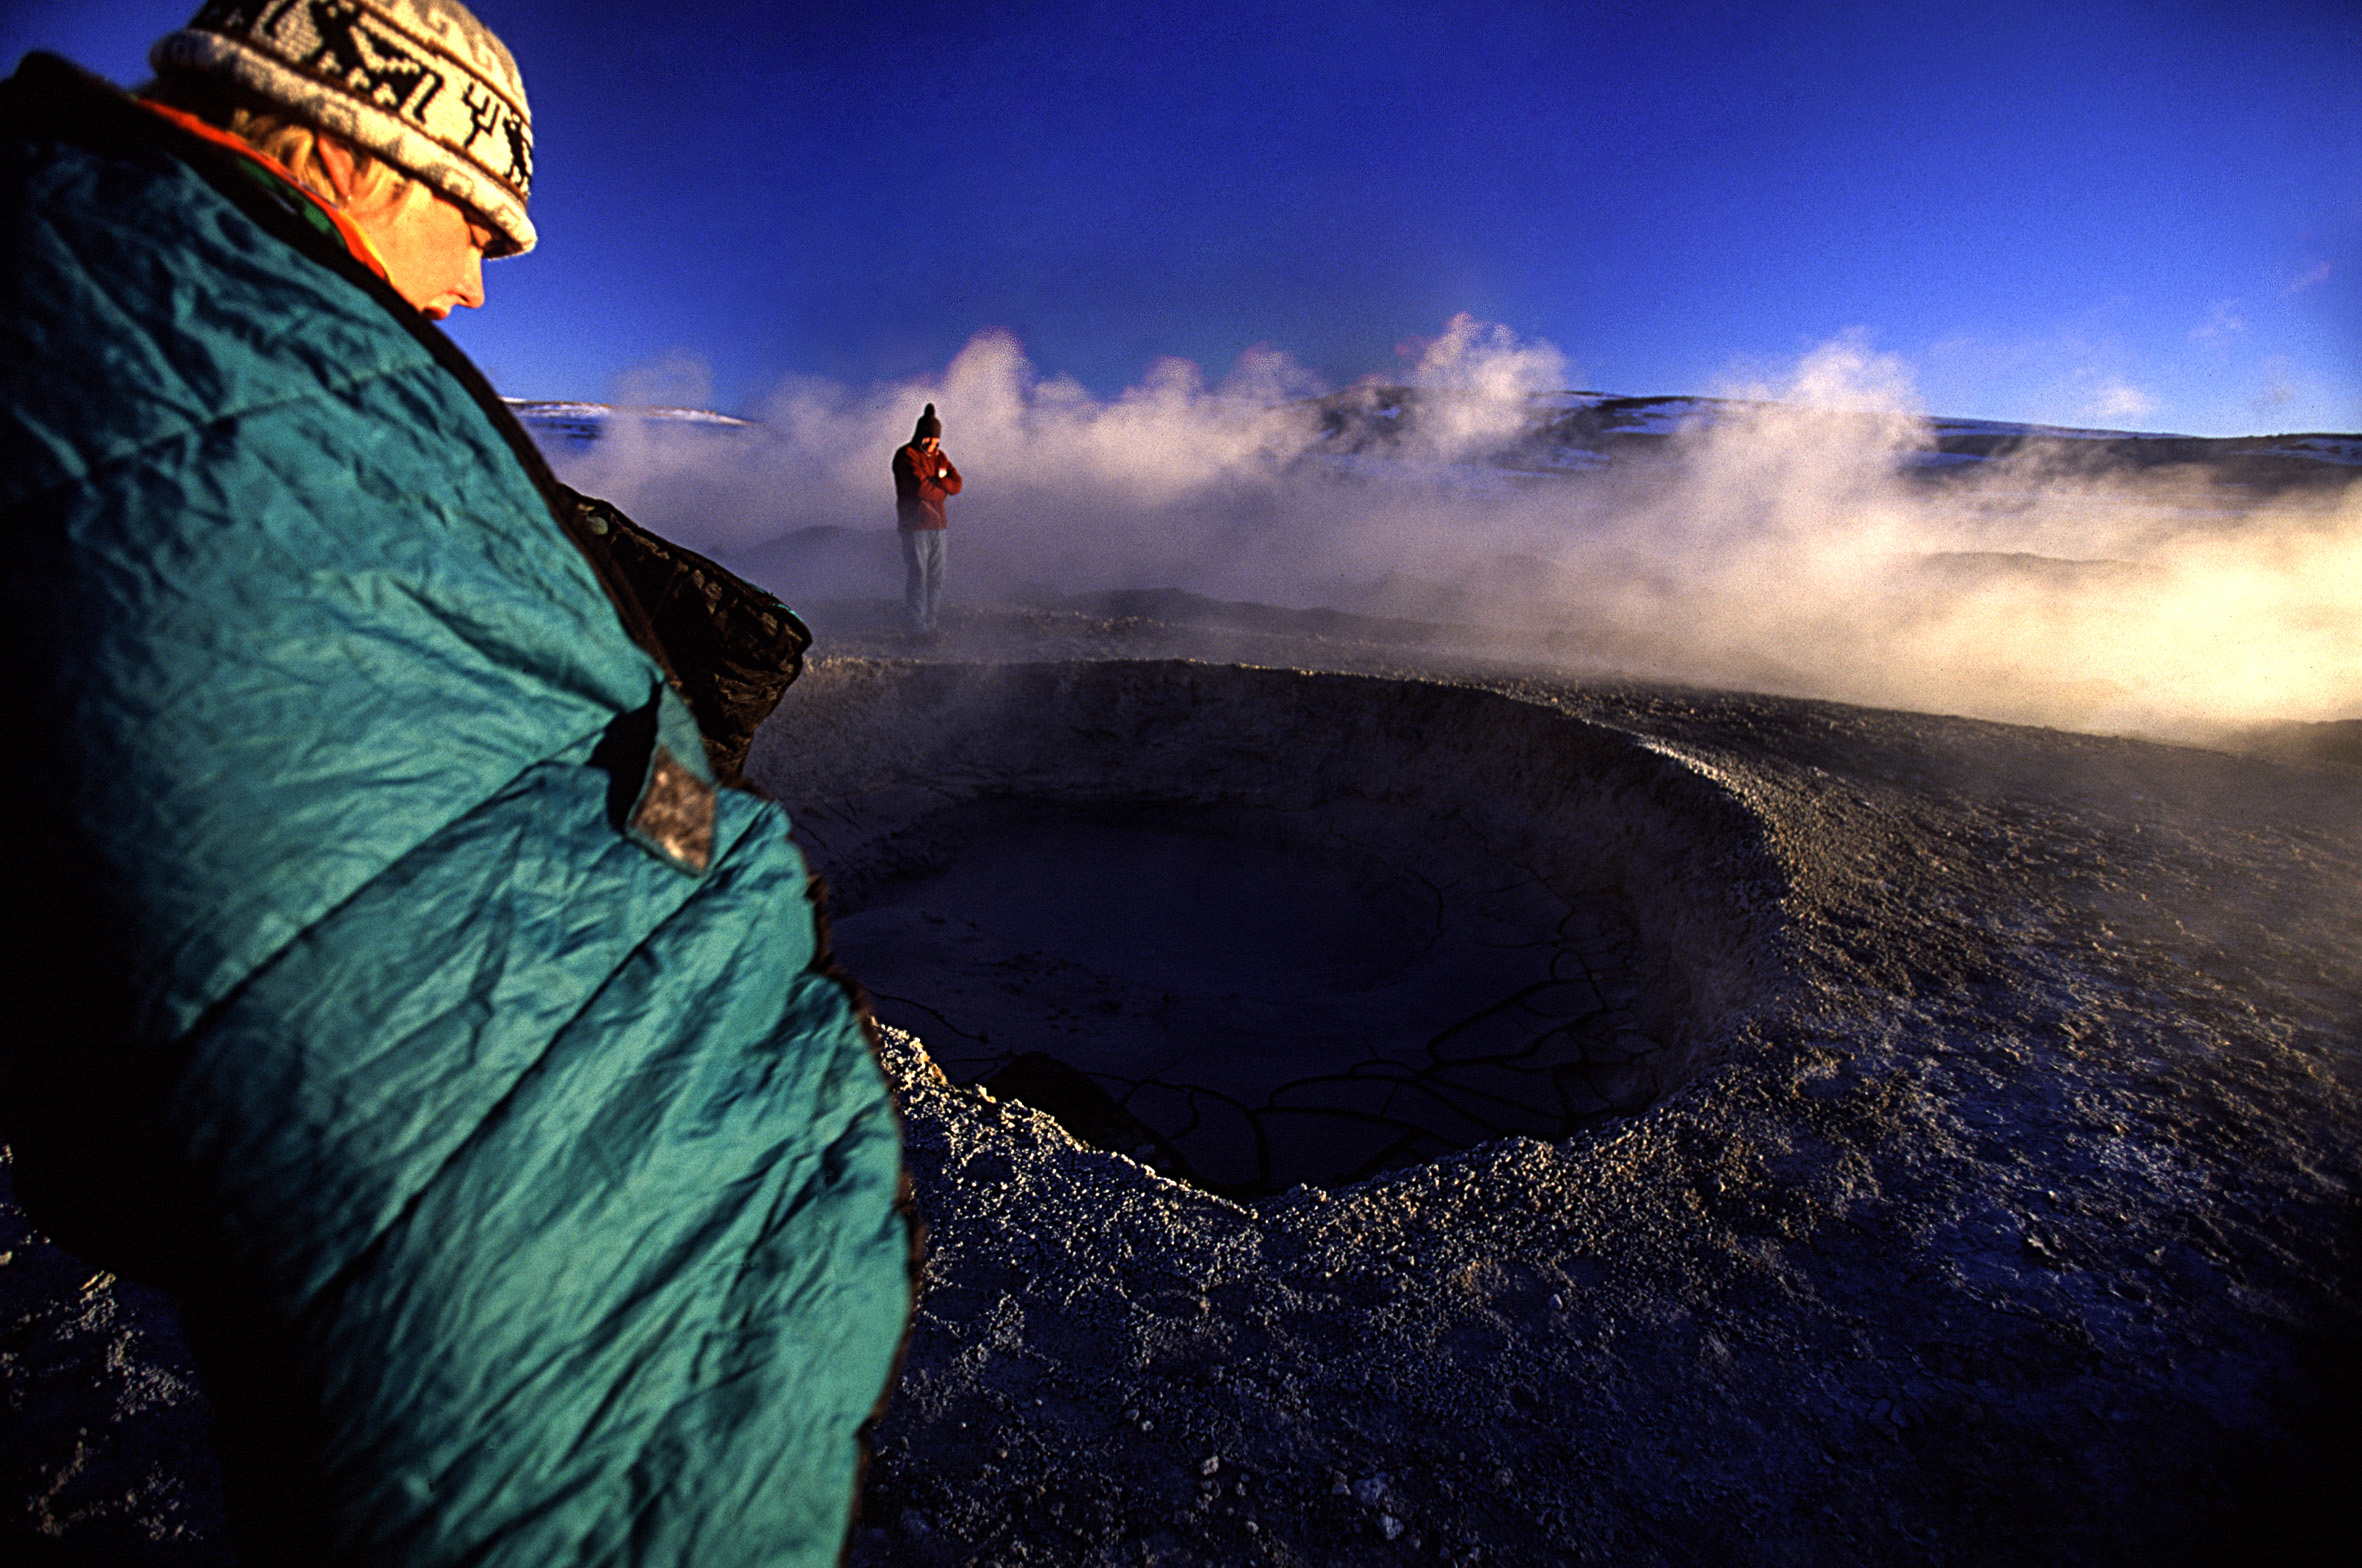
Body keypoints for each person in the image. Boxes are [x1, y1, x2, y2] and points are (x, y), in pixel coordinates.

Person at [0, 5, 914, 1565]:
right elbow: (459, 1025)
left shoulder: (159, 301)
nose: (480, 280)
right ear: (348, 146)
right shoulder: (231, 360)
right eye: (475, 218)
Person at [891, 402, 963, 634]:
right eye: (929, 439)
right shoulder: (906, 455)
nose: (933, 444)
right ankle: (916, 626)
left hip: (939, 528)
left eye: (936, 440)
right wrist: (943, 490)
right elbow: (920, 489)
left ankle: (930, 624)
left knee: (935, 578)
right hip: (916, 527)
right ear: (920, 435)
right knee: (918, 576)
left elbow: (958, 483)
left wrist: (938, 483)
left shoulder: (940, 457)